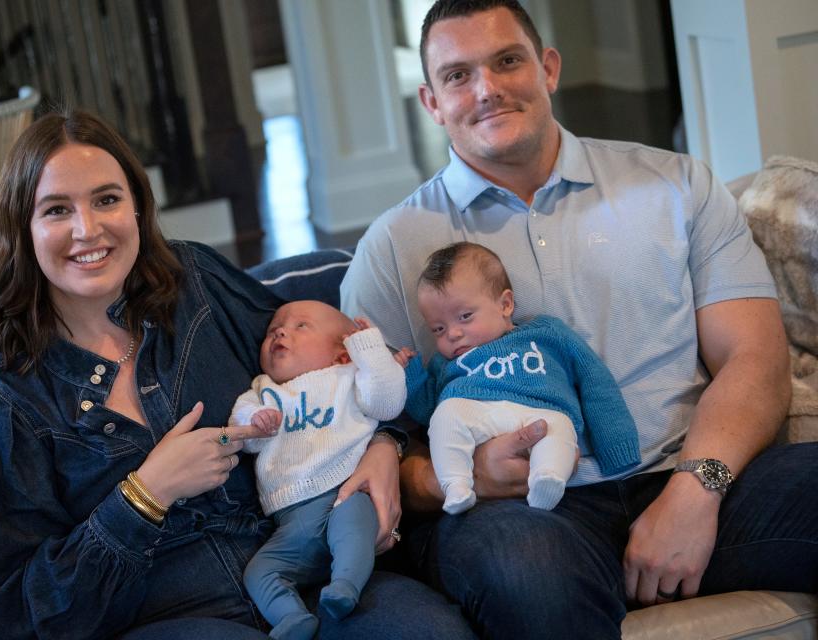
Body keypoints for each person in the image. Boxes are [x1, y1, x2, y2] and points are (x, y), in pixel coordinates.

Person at [340, 1, 818, 638]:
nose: (487, 89)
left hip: (691, 471)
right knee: (526, 573)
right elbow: (365, 439)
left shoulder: (675, 184)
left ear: (548, 67)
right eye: (458, 75)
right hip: (523, 513)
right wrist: (460, 476)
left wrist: (697, 488)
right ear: (431, 101)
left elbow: (755, 357)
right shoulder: (391, 247)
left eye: (508, 60)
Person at [0, 109, 475, 640]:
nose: (87, 229)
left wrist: (383, 445)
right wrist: (145, 494)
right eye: (56, 209)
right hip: (170, 619)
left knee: (435, 631)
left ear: (137, 207)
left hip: (306, 573)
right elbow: (16, 612)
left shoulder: (196, 285)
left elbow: (325, 364)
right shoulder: (6, 401)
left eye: (107, 199)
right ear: (24, 229)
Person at [398, 242, 639, 513]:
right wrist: (411, 375)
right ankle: (455, 485)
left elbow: (596, 382)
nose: (453, 334)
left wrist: (617, 447)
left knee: (560, 427)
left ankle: (547, 478)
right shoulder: (446, 364)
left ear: (505, 304)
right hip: (478, 416)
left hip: (542, 413)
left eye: (465, 316)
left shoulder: (546, 333)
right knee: (445, 415)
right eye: (438, 328)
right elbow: (425, 411)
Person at [230, 301, 406, 639]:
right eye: (273, 329)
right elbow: (241, 433)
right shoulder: (262, 390)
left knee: (353, 529)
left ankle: (344, 587)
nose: (280, 331)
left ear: (342, 352)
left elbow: (388, 403)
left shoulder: (351, 377)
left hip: (345, 494)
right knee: (259, 572)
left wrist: (369, 352)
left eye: (301, 326)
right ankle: (292, 617)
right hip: (290, 521)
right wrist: (253, 422)